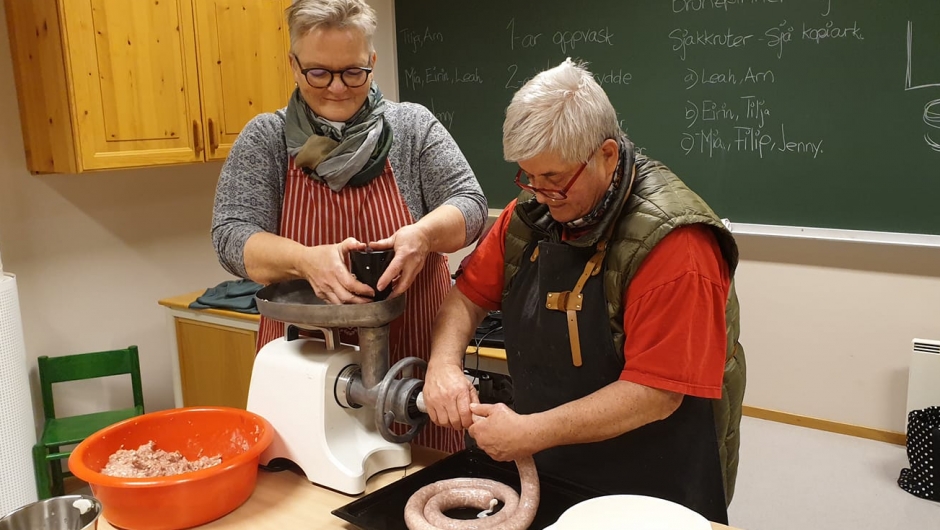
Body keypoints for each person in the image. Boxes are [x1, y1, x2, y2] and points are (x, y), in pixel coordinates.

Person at [423, 59, 746, 523]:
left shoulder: (677, 246)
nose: (539, 193)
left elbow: (655, 393)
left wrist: (531, 431)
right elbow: (467, 296)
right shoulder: (529, 212)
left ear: (608, 155)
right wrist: (442, 366)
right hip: (550, 451)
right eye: (527, 176)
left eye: (554, 178)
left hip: (652, 471)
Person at [211, 0, 487, 453]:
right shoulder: (265, 138)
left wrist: (422, 236)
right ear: (294, 65)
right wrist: (305, 260)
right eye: (319, 72)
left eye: (353, 72)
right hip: (303, 360)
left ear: (372, 62)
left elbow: (470, 205)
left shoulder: (413, 127)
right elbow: (230, 237)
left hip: (410, 353)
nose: (337, 88)